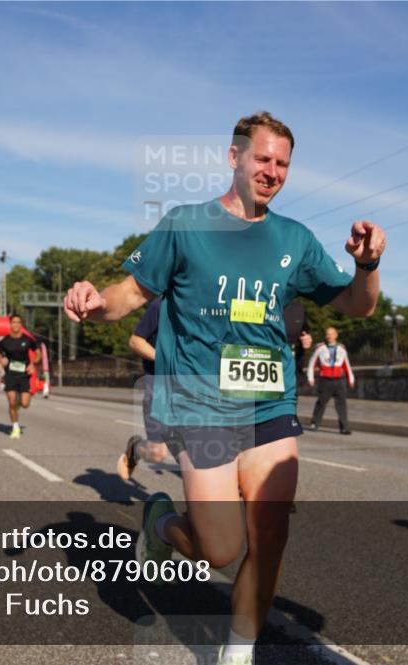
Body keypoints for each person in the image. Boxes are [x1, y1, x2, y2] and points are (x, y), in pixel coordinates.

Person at [64, 112, 384, 665]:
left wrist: (368, 264)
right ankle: (162, 521)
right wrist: (95, 305)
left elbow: (358, 304)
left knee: (271, 535)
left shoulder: (294, 239)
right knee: (219, 549)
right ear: (234, 157)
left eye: (283, 163)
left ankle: (238, 651)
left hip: (269, 403)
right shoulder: (186, 224)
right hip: (201, 407)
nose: (272, 171)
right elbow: (129, 294)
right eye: (263, 158)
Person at [117, 297, 170, 481]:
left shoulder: (212, 307)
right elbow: (136, 341)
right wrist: (165, 360)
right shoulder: (161, 305)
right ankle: (136, 449)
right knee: (157, 454)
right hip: (159, 386)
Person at [0, 314, 40, 440]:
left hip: (24, 375)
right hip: (10, 375)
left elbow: (38, 353)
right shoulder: (5, 341)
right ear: (10, 324)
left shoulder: (28, 339)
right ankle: (15, 427)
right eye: (14, 322)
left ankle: (18, 404)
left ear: (21, 324)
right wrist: (0, 358)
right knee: (11, 402)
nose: (16, 324)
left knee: (25, 404)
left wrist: (33, 364)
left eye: (18, 322)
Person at [306, 327, 354, 434]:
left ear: (336, 335)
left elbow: (346, 365)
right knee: (321, 402)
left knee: (341, 404)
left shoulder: (341, 348)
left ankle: (344, 427)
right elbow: (312, 362)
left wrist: (351, 378)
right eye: (327, 334)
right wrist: (310, 377)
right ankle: (315, 423)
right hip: (325, 379)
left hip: (339, 380)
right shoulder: (320, 347)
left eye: (331, 334)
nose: (329, 336)